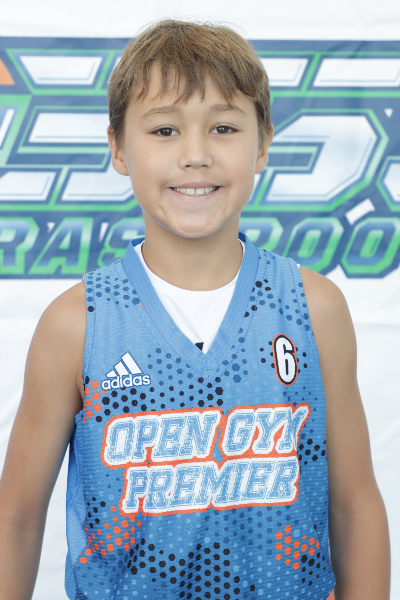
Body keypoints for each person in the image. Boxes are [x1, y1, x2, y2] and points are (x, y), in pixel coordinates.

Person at [0, 19, 390, 600]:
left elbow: (355, 504)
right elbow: (17, 519)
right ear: (118, 148)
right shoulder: (78, 324)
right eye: (164, 130)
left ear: (262, 145)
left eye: (223, 127)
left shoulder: (313, 308)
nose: (196, 155)